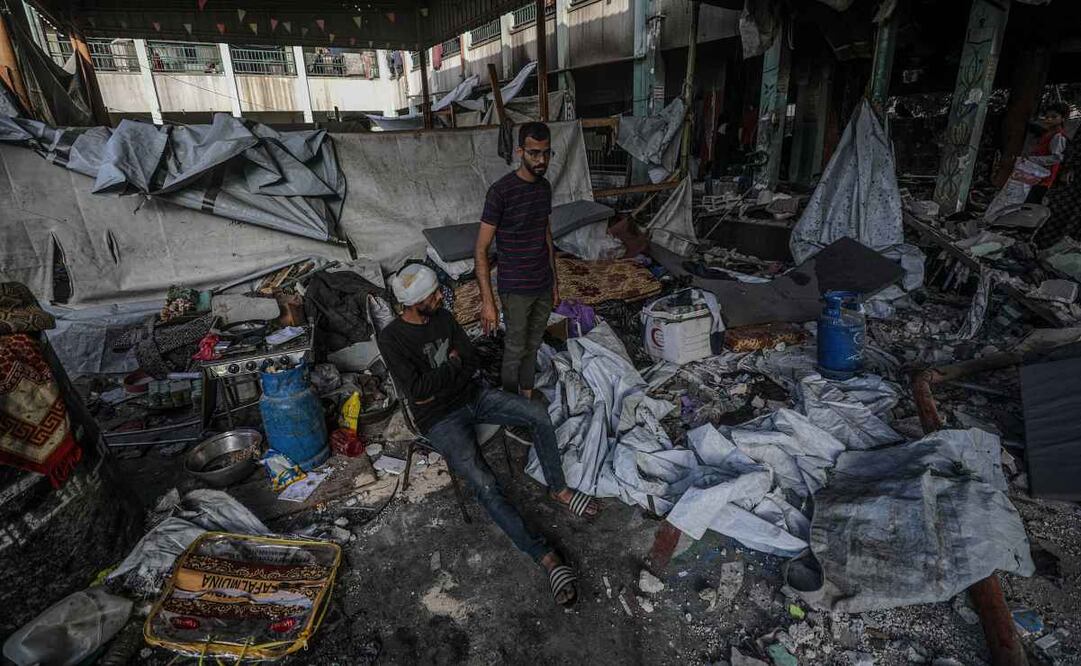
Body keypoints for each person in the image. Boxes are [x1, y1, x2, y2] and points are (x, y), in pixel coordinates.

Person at [377, 264, 599, 606]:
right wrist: (452, 367)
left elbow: (471, 359)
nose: (440, 298)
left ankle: (559, 489)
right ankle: (546, 558)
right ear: (415, 303)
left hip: (472, 396)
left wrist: (449, 372)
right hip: (438, 418)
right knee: (484, 482)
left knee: (537, 414)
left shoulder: (443, 318)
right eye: (433, 295)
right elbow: (418, 392)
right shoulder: (392, 338)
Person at [474, 122, 558, 444]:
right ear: (520, 151)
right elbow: (481, 249)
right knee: (514, 349)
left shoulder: (544, 187)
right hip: (515, 287)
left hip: (542, 282)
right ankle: (511, 414)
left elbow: (546, 234)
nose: (541, 160)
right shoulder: (501, 192)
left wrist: (554, 280)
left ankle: (526, 400)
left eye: (546, 153)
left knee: (533, 345)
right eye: (534, 153)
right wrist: (488, 301)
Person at [1025, 102, 1070, 204]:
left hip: (1044, 176)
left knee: (1032, 202)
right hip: (1036, 173)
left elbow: (1057, 158)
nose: (1049, 119)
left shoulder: (1058, 136)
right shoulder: (1049, 133)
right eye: (1047, 117)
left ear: (1062, 119)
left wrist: (1033, 159)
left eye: (1054, 117)